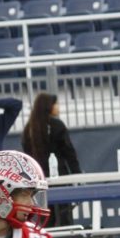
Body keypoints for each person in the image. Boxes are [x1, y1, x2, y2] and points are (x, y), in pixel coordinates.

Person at [21, 92, 81, 227]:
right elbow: (69, 153)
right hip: (60, 179)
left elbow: (27, 158)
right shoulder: (57, 125)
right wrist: (77, 176)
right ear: (49, 106)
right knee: (65, 217)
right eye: (56, 104)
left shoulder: (28, 129)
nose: (58, 107)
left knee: (46, 218)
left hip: (40, 180)